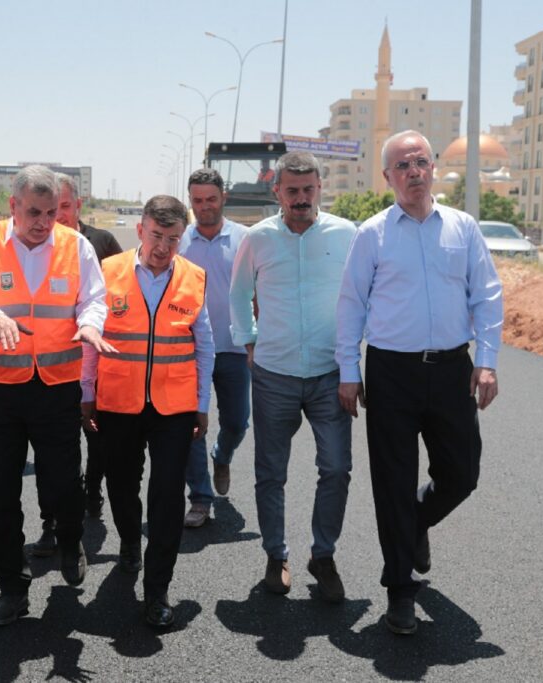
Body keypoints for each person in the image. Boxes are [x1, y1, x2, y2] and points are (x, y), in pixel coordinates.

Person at [336, 130, 503, 635]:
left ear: (433, 169)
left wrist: (487, 360)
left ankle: (418, 522)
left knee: (462, 472)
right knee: (392, 481)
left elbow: (487, 295)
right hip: (391, 372)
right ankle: (400, 590)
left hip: (452, 368)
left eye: (421, 162)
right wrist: (349, 370)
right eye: (402, 165)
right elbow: (350, 305)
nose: (413, 171)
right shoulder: (372, 234)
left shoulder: (463, 227)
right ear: (387, 177)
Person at [0, 164, 111, 627]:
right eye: (34, 212)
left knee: (62, 481)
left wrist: (89, 324)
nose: (43, 222)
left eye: (53, 212)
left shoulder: (75, 246)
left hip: (58, 386)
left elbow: (94, 298)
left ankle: (69, 536)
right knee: (0, 490)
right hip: (0, 387)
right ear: (13, 207)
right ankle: (11, 587)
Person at [229, 151, 356, 604]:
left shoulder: (347, 235)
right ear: (276, 192)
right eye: (292, 191)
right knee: (270, 473)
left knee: (337, 468)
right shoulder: (258, 239)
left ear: (319, 189)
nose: (301, 199)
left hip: (331, 373)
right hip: (273, 373)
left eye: (308, 190)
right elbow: (240, 293)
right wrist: (248, 340)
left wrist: (355, 366)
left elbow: (363, 296)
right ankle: (275, 554)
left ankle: (323, 556)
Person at [81, 195, 213, 628]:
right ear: (141, 230)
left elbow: (205, 346)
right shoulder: (108, 271)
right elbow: (91, 336)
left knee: (167, 495)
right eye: (157, 236)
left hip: (174, 407)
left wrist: (201, 404)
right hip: (119, 401)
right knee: (121, 484)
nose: (163, 247)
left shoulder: (194, 277)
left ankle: (157, 590)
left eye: (173, 239)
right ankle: (128, 542)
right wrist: (87, 392)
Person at [28, 172, 123, 555]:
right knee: (52, 453)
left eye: (63, 207)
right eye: (51, 209)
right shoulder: (33, 244)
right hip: (51, 369)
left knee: (96, 440)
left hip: (97, 362)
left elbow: (119, 294)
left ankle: (92, 489)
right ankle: (50, 520)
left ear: (77, 205)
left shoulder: (100, 244)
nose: (58, 215)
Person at [178, 168, 249, 528]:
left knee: (237, 422)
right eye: (197, 200)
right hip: (187, 353)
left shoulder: (246, 238)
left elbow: (262, 290)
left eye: (210, 199)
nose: (204, 207)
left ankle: (222, 457)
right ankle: (200, 498)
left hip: (235, 350)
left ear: (223, 198)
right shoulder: (179, 241)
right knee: (193, 427)